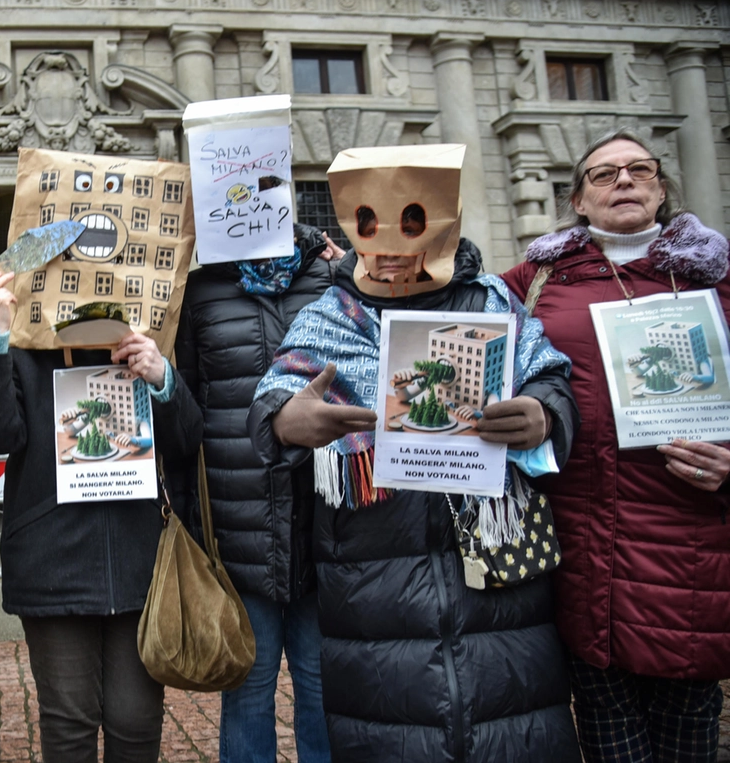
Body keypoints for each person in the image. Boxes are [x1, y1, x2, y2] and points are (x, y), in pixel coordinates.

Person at [249, 144, 582, 762]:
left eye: (412, 219)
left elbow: (550, 377)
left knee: (516, 735)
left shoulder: (490, 303)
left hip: (500, 578)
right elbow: (277, 395)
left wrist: (541, 413)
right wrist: (290, 421)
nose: (393, 240)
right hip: (371, 582)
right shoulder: (330, 316)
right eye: (370, 222)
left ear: (444, 219)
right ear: (353, 228)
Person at [503, 129, 730, 763]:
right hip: (579, 538)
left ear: (662, 186)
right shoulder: (537, 280)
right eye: (604, 175)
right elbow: (452, 303)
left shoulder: (719, 277)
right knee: (605, 729)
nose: (623, 181)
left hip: (685, 546)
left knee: (687, 731)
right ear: (577, 199)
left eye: (639, 170)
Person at [0, 269, 202, 763]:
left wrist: (163, 380)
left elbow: (188, 441)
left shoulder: (151, 335)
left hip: (138, 567)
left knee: (137, 721)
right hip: (54, 566)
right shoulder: (25, 343)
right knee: (69, 723)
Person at [170, 223, 337, 763]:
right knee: (247, 692)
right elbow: (188, 413)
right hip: (236, 527)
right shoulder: (200, 290)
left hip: (324, 524)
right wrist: (194, 519)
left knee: (322, 690)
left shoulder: (332, 276)